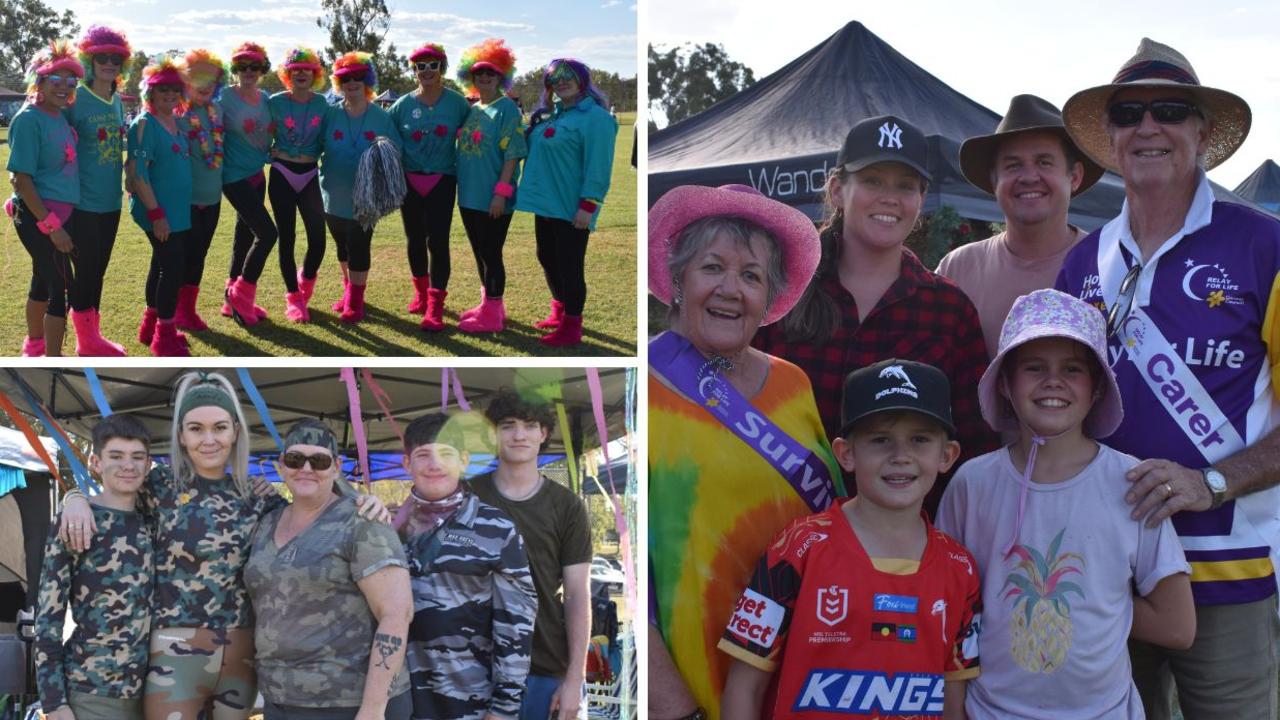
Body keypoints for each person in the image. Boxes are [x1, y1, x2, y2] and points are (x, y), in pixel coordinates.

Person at [1055, 38, 1280, 719]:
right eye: (1128, 112)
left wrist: (1211, 482)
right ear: (1112, 138)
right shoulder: (1082, 262)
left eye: (1170, 109)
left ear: (1203, 133)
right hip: (1108, 565)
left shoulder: (1264, 243)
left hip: (1228, 567)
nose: (1147, 126)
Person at [56, 371, 390, 718]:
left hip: (241, 654)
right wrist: (74, 497)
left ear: (234, 432)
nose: (209, 439)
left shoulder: (256, 497)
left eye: (219, 427)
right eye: (196, 429)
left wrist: (362, 501)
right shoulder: (158, 487)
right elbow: (112, 494)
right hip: (174, 652)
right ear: (182, 437)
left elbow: (312, 505)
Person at [937, 289, 1195, 718]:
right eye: (1033, 367)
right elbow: (943, 605)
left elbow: (1177, 626)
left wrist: (1094, 604)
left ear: (1096, 388)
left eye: (1072, 369)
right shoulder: (972, 483)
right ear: (1005, 383)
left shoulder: (1132, 482)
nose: (1052, 381)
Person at [647, 184, 841, 720]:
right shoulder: (644, 384)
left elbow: (832, 529)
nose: (731, 289)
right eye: (712, 268)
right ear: (679, 281)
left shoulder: (793, 384)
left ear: (769, 297)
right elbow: (625, 570)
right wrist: (674, 708)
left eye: (752, 276)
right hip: (690, 683)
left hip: (803, 672)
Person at [753, 114, 997, 516]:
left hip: (899, 553)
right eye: (872, 181)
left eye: (905, 186)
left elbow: (974, 448)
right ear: (837, 190)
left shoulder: (949, 310)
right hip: (777, 538)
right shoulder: (782, 290)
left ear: (921, 200)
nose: (890, 197)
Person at [720, 359, 980, 719]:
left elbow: (954, 697)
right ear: (846, 453)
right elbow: (745, 686)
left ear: (946, 455)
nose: (900, 456)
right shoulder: (797, 547)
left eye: (919, 439)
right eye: (880, 440)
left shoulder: (960, 567)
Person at [245, 419, 413, 719]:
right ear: (281, 466)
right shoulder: (266, 521)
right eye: (295, 459)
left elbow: (397, 614)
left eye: (319, 461)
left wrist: (373, 709)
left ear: (335, 467)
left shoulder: (362, 521)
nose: (306, 468)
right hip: (281, 699)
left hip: (347, 703)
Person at [936, 94, 1104, 358]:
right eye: (1013, 165)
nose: (1028, 177)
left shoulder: (1107, 264)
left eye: (1044, 162)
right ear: (994, 181)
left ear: (1074, 177)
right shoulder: (958, 268)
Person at [396, 413, 537, 720]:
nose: (435, 465)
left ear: (463, 461)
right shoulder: (387, 528)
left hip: (469, 701)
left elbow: (516, 624)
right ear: (407, 463)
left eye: (446, 454)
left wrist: (504, 706)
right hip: (398, 700)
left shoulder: (495, 529)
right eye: (423, 455)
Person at [470, 388, 592, 720]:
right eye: (507, 425)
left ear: (544, 433)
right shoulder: (465, 496)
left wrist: (574, 678)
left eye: (529, 425)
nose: (519, 434)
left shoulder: (567, 506)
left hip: (544, 666)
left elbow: (578, 594)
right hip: (471, 667)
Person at [34, 414, 153, 720]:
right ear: (96, 463)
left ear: (148, 464)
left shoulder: (158, 523)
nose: (128, 465)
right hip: (92, 693)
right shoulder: (74, 523)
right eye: (116, 456)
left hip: (157, 693)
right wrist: (54, 703)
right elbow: (48, 620)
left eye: (137, 457)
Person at [516, 57, 617, 347]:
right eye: (555, 78)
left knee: (570, 265)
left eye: (567, 75)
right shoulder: (556, 114)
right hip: (545, 204)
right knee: (546, 256)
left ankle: (572, 326)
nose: (561, 81)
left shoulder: (596, 119)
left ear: (582, 79)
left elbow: (599, 166)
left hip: (572, 208)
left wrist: (588, 206)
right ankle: (559, 312)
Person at [7, 40, 84, 357]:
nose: (64, 88)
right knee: (60, 285)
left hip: (58, 216)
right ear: (38, 82)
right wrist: (53, 226)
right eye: (56, 81)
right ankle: (51, 360)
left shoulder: (59, 116)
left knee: (42, 279)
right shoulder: (28, 120)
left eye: (71, 82)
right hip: (39, 217)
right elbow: (22, 180)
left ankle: (34, 348)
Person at [389, 44, 470, 331]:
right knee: (414, 240)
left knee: (438, 241)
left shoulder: (458, 104)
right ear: (414, 71)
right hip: (409, 181)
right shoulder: (402, 106)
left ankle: (436, 304)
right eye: (420, 66)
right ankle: (421, 295)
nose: (426, 71)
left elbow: (477, 131)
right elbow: (386, 136)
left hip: (442, 180)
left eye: (432, 65)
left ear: (442, 68)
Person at [64, 25, 133, 357]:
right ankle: (85, 341)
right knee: (86, 270)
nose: (109, 63)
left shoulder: (117, 100)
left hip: (111, 201)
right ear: (89, 60)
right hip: (82, 203)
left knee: (99, 269)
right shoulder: (75, 99)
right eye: (101, 57)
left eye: (115, 59)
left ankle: (92, 337)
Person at [321, 51, 402, 324]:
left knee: (358, 245)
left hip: (366, 198)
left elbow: (394, 153)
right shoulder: (329, 114)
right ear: (338, 82)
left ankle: (356, 301)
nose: (352, 83)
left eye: (358, 77)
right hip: (331, 193)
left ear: (366, 81)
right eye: (346, 78)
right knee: (341, 246)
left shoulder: (382, 116)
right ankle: (348, 290)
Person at [452, 39, 527, 335]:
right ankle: (490, 305)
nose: (484, 78)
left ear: (501, 78)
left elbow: (513, 153)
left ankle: (493, 315)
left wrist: (501, 193)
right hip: (468, 196)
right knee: (479, 252)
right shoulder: (473, 109)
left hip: (493, 197)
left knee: (491, 253)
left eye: (491, 74)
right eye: (479, 73)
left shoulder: (506, 108)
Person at [127, 54, 194, 357]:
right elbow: (138, 175)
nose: (169, 95)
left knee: (161, 265)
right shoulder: (144, 124)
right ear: (150, 92)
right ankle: (164, 337)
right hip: (158, 212)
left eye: (174, 90)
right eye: (162, 89)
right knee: (173, 268)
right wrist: (156, 215)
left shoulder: (176, 122)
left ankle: (151, 327)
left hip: (177, 212)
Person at [268, 47, 330, 323]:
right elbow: (257, 129)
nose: (301, 74)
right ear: (287, 74)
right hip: (282, 172)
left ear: (314, 74)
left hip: (309, 174)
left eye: (307, 69)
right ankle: (293, 298)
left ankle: (304, 283)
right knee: (287, 238)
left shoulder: (323, 105)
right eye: (295, 70)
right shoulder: (275, 102)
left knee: (318, 239)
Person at [219, 41, 278, 327]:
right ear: (235, 69)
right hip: (233, 177)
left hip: (257, 174)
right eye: (243, 66)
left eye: (254, 66)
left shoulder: (265, 97)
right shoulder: (224, 98)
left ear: (262, 69)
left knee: (243, 236)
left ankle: (230, 300)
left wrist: (272, 152)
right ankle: (241, 295)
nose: (249, 71)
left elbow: (265, 133)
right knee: (268, 234)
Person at [171, 49, 227, 335]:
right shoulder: (176, 112)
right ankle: (173, 311)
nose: (205, 85)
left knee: (200, 255)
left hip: (212, 197)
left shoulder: (217, 112)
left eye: (211, 79)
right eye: (197, 78)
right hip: (184, 201)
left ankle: (188, 311)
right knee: (179, 257)